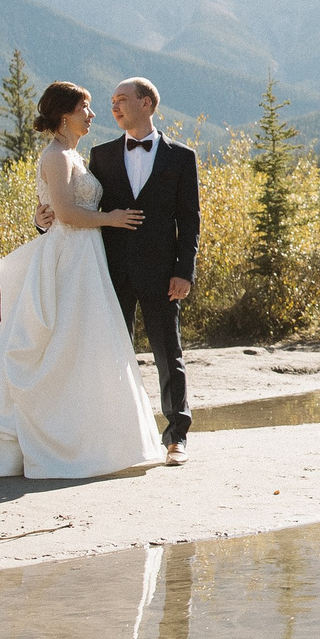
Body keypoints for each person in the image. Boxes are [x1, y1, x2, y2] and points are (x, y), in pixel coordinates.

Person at [0, 82, 164, 479]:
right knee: (65, 343)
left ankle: (91, 438)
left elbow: (52, 208)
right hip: (69, 257)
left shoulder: (72, 156)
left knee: (83, 345)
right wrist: (111, 218)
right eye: (86, 107)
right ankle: (62, 442)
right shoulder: (57, 156)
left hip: (84, 257)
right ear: (65, 114)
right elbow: (65, 213)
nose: (92, 115)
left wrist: (41, 216)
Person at [80, 78, 201, 465]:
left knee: (169, 354)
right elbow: (80, 206)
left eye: (121, 100)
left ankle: (176, 437)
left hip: (163, 274)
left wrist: (185, 271)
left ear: (146, 104)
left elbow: (190, 220)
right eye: (111, 102)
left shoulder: (181, 157)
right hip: (111, 272)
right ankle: (117, 436)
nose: (113, 108)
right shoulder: (100, 156)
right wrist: (43, 219)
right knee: (114, 352)